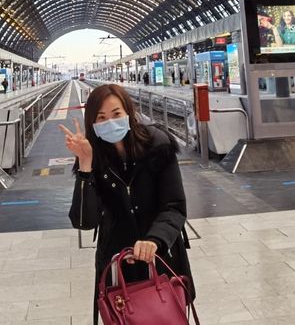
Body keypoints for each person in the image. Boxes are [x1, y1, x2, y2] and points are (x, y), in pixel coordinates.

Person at [59, 84, 194, 324]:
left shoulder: (158, 145)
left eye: (116, 114)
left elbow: (174, 206)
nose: (109, 122)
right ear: (92, 123)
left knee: (167, 316)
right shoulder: (94, 156)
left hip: (162, 257)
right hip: (117, 266)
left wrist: (154, 240)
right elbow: (84, 221)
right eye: (101, 118)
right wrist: (85, 166)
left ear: (129, 114)